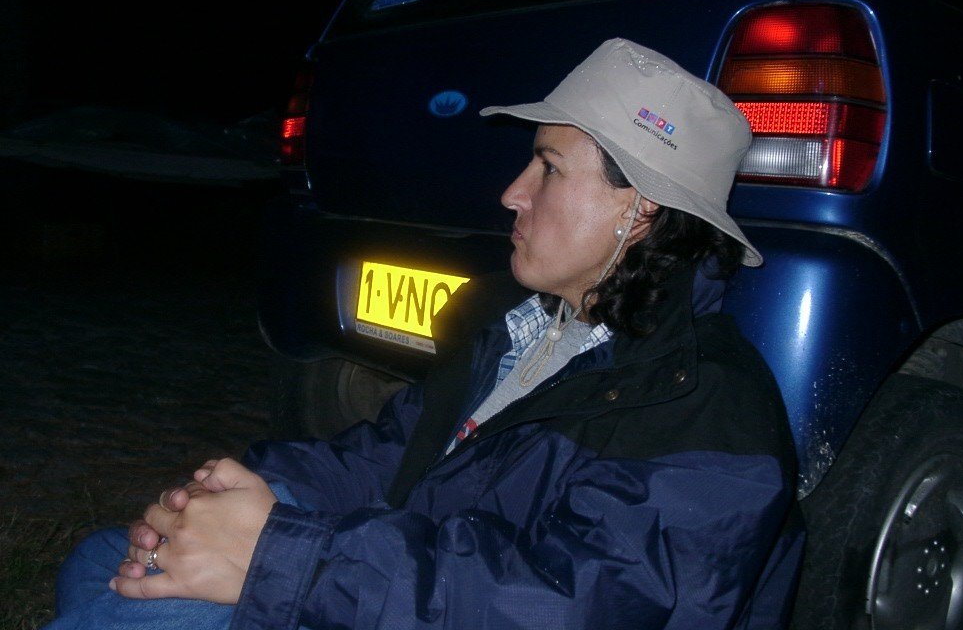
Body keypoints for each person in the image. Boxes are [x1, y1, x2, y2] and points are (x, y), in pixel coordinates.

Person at [47, 38, 804, 629]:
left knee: (162, 606)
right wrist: (232, 500)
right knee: (109, 557)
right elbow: (391, 457)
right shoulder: (520, 329)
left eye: (547, 169)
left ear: (638, 211)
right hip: (407, 591)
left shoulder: (706, 407)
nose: (512, 194)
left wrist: (283, 556)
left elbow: (568, 607)